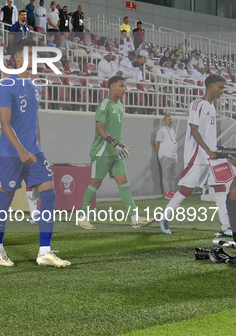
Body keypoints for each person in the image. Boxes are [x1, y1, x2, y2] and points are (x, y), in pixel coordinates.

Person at [0, 38, 70, 267]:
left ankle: (44, 251)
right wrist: (21, 150)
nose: (35, 58)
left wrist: (37, 146)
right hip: (10, 154)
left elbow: (35, 119)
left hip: (34, 152)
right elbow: (4, 123)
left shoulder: (36, 85)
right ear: (17, 57)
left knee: (49, 192)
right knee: (5, 200)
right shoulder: (7, 85)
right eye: (31, 54)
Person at [78, 76, 155, 230]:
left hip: (116, 153)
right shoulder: (104, 104)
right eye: (122, 86)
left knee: (124, 183)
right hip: (101, 152)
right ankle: (82, 218)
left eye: (125, 86)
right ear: (112, 87)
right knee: (95, 183)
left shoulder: (120, 105)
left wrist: (119, 146)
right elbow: (100, 128)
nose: (125, 89)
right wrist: (114, 144)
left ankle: (135, 219)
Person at [159, 74, 232, 236]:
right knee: (187, 189)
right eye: (219, 87)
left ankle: (225, 226)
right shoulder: (197, 104)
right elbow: (194, 130)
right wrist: (207, 150)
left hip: (211, 157)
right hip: (197, 156)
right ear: (210, 87)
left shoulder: (212, 107)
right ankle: (164, 217)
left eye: (223, 88)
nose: (222, 91)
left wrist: (215, 150)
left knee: (220, 188)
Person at [155, 116, 178, 200]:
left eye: (171, 119)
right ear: (164, 121)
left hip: (173, 155)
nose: (170, 121)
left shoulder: (172, 130)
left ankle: (172, 191)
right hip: (165, 155)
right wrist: (160, 154)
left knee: (173, 175)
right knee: (166, 175)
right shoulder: (162, 131)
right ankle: (167, 192)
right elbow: (157, 143)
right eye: (168, 120)